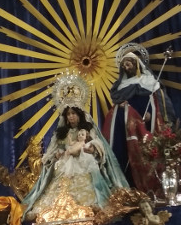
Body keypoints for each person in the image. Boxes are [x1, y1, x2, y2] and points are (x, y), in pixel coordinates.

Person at [21, 75, 129, 217]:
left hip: (84, 160)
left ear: (79, 114)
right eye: (68, 114)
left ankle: (90, 207)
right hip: (65, 163)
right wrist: (56, 154)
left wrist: (92, 149)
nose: (71, 117)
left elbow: (98, 142)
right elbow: (53, 150)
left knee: (89, 179)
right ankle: (54, 210)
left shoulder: (87, 128)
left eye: (73, 113)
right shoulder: (61, 133)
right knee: (57, 174)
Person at [102, 44, 176, 194]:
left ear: (136, 64)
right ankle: (126, 188)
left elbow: (159, 103)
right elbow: (116, 104)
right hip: (124, 127)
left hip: (146, 125)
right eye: (124, 64)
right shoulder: (120, 86)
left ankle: (150, 188)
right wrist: (120, 107)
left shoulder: (149, 81)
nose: (126, 66)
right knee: (125, 155)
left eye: (129, 63)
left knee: (146, 154)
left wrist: (151, 114)